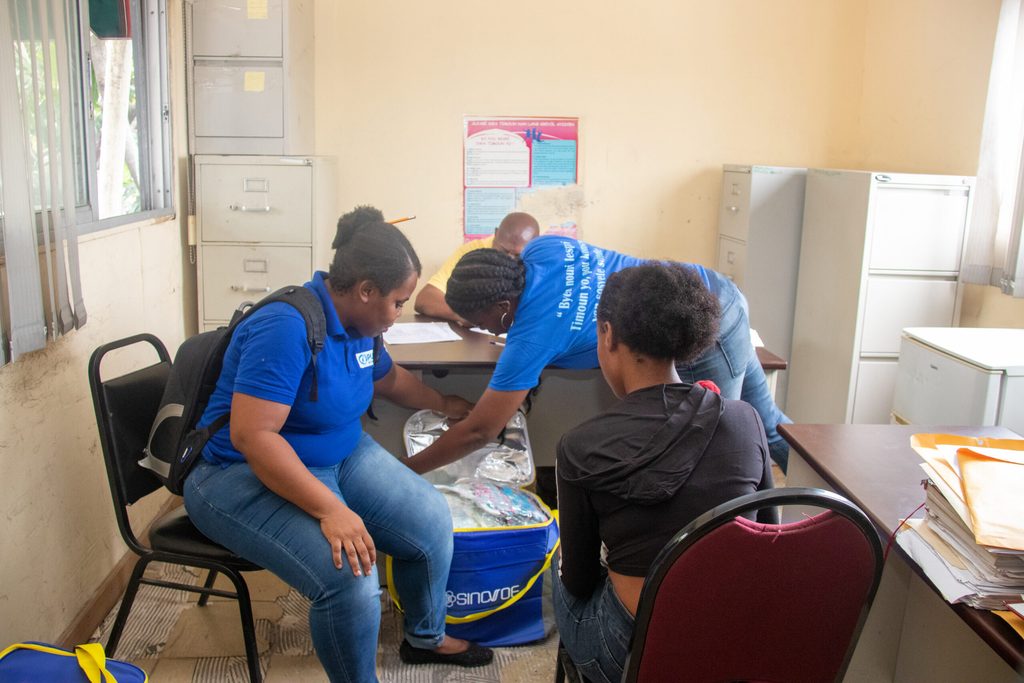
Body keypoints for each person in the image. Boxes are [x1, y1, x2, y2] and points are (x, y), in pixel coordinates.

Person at [183, 206, 493, 683]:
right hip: (238, 473)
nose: (400, 313)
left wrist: (443, 402)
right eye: (397, 302)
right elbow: (253, 436)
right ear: (365, 290)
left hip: (341, 454)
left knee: (430, 519)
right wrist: (330, 509)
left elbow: (388, 379)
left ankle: (425, 638)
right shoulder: (287, 326)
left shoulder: (361, 327)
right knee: (351, 580)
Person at [550, 263, 778, 682]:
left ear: (608, 334)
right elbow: (768, 538)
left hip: (634, 655)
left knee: (558, 561)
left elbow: (579, 583)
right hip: (728, 641)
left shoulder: (579, 446)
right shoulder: (745, 420)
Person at [403, 234, 792, 475]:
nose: (489, 331)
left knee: (716, 454)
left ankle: (739, 540)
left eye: (483, 322)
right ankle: (812, 497)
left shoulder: (531, 338)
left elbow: (480, 430)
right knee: (767, 424)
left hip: (706, 327)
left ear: (503, 305)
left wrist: (408, 469)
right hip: (714, 290)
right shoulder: (544, 247)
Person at [413, 211, 539, 324]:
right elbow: (425, 299)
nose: (509, 259)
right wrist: (466, 315)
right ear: (496, 234)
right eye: (504, 251)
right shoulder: (474, 253)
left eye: (517, 256)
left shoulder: (541, 260)